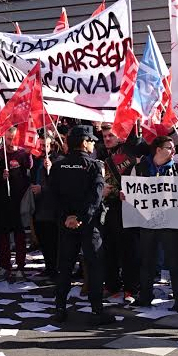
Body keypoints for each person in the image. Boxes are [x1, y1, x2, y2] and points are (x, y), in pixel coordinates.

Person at [50, 125, 112, 325]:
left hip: (67, 224)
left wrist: (68, 217)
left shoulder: (58, 165)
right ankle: (96, 311)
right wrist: (80, 218)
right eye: (92, 140)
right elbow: (95, 197)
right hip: (88, 225)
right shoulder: (94, 166)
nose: (94, 143)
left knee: (65, 267)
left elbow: (52, 196)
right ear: (84, 142)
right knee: (94, 267)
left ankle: (60, 308)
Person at [130, 135, 178, 312]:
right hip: (148, 222)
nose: (174, 150)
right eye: (169, 147)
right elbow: (133, 190)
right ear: (158, 150)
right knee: (147, 261)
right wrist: (125, 195)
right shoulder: (140, 168)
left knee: (174, 261)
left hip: (170, 222)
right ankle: (144, 296)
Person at [96, 123, 146, 302]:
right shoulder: (102, 154)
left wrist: (114, 192)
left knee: (129, 250)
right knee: (109, 249)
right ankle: (111, 285)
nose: (107, 139)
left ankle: (131, 288)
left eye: (111, 135)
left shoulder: (129, 152)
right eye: (105, 136)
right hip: (108, 209)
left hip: (127, 207)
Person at [0, 127, 32, 281]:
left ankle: (21, 266)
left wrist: (29, 155)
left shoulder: (22, 153)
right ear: (4, 136)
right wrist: (1, 177)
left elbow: (29, 168)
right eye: (8, 137)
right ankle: (4, 265)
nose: (11, 140)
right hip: (3, 201)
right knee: (3, 235)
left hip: (19, 201)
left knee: (20, 235)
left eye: (13, 137)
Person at [30, 131, 61, 277]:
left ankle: (55, 268)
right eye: (41, 145)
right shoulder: (37, 160)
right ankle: (49, 267)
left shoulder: (58, 160)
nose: (43, 148)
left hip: (51, 208)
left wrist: (43, 187)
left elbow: (59, 186)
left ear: (52, 145)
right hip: (39, 206)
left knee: (52, 240)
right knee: (43, 239)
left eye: (46, 145)